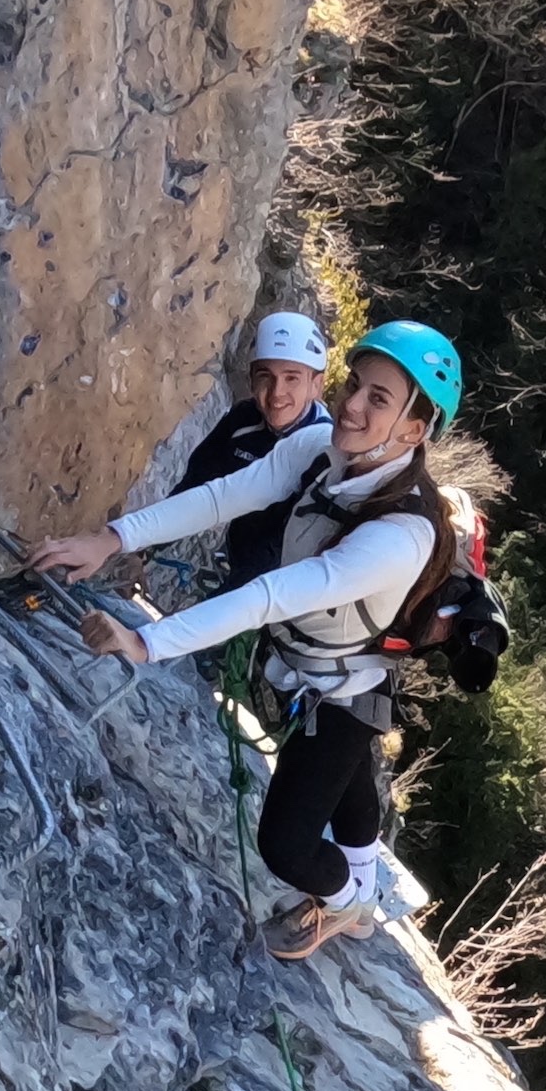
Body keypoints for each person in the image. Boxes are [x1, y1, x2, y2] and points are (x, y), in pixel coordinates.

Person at [32, 321, 464, 962]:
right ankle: (362, 872)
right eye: (356, 385)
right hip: (312, 662)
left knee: (285, 845)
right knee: (349, 786)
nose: (351, 404)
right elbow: (223, 497)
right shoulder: (322, 448)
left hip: (344, 686)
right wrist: (112, 538)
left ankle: (349, 906)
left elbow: (273, 594)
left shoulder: (401, 535)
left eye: (380, 399)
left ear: (414, 428)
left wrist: (149, 642)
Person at [171, 310, 331, 587]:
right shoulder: (243, 421)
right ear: (251, 379)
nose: (277, 392)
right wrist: (142, 548)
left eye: (292, 378)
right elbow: (194, 485)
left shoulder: (326, 450)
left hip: (286, 582)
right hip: (241, 554)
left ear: (316, 385)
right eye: (265, 376)